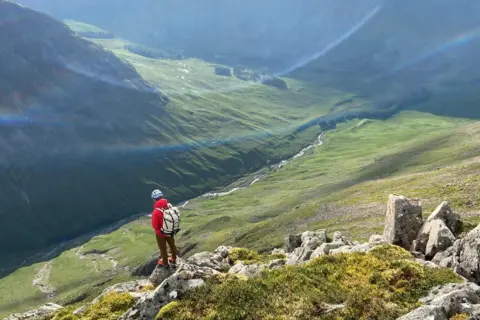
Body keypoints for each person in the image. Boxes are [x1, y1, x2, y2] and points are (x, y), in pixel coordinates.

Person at [151, 189, 178, 268]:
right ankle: (174, 258)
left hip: (160, 233)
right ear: (162, 196)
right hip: (170, 230)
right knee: (172, 245)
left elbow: (155, 225)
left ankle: (165, 263)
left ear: (154, 199)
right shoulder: (169, 205)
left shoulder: (156, 211)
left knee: (163, 248)